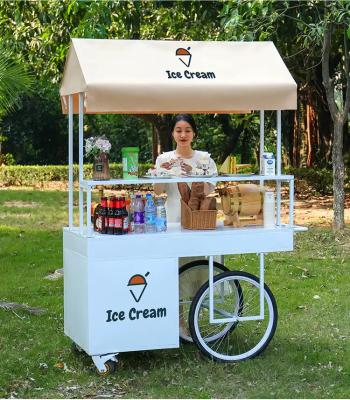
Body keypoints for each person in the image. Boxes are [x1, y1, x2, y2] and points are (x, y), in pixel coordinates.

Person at [154, 114, 217, 223]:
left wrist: (192, 172)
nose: (183, 135)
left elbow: (206, 191)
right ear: (172, 133)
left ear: (194, 133)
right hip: (171, 216)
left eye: (188, 131)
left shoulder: (205, 159)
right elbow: (158, 191)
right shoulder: (163, 159)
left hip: (197, 214)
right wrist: (163, 171)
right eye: (178, 131)